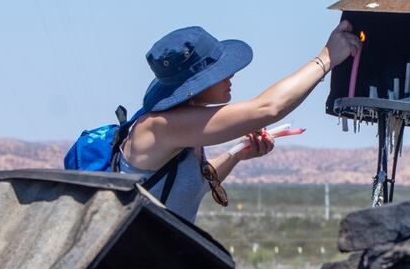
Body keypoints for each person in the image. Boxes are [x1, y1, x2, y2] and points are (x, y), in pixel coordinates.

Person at [120, 21, 361, 222]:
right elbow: (268, 108)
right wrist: (326, 59)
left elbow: (193, 185)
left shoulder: (184, 132)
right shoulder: (160, 127)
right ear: (194, 83)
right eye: (219, 71)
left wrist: (237, 153)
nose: (231, 75)